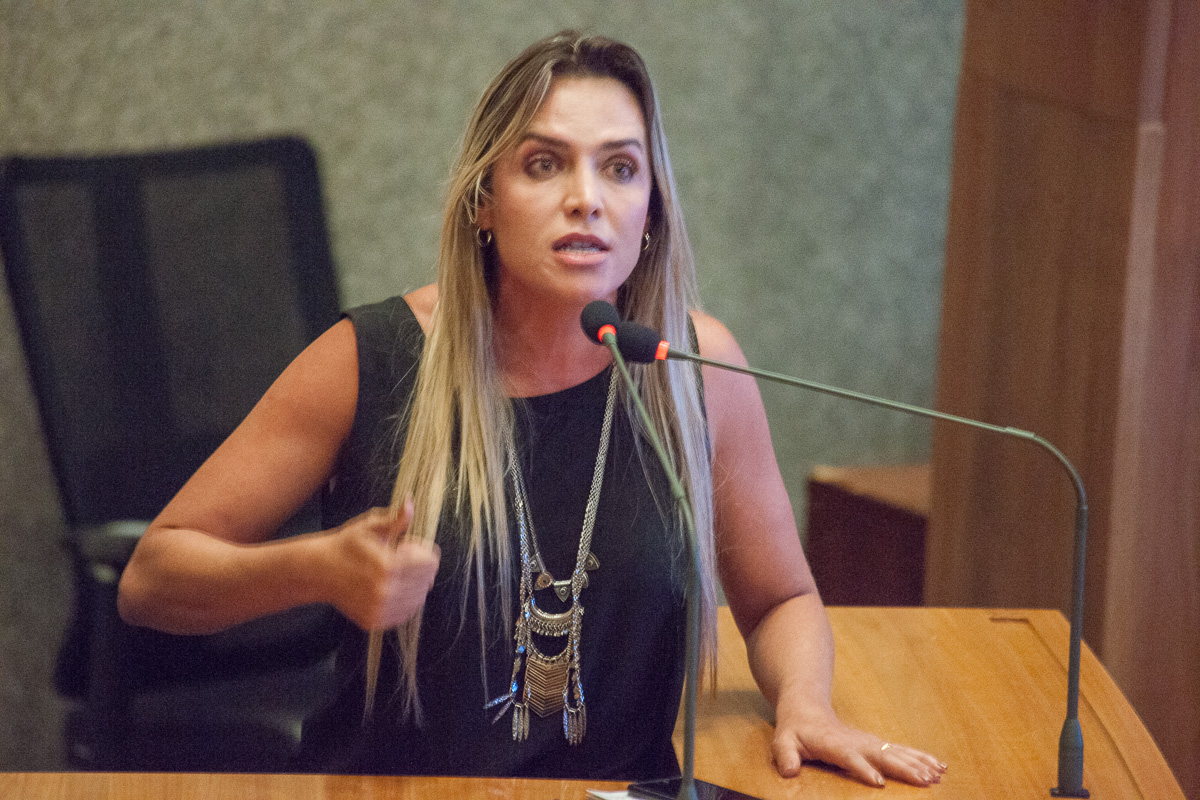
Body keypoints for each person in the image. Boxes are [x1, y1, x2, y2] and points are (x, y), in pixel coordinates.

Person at [118, 30, 946, 787]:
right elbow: (152, 579)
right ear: (484, 201)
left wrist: (806, 704)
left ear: (651, 211)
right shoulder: (367, 360)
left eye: (620, 168)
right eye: (545, 164)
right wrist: (315, 570)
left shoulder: (693, 370)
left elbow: (778, 601)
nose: (587, 198)